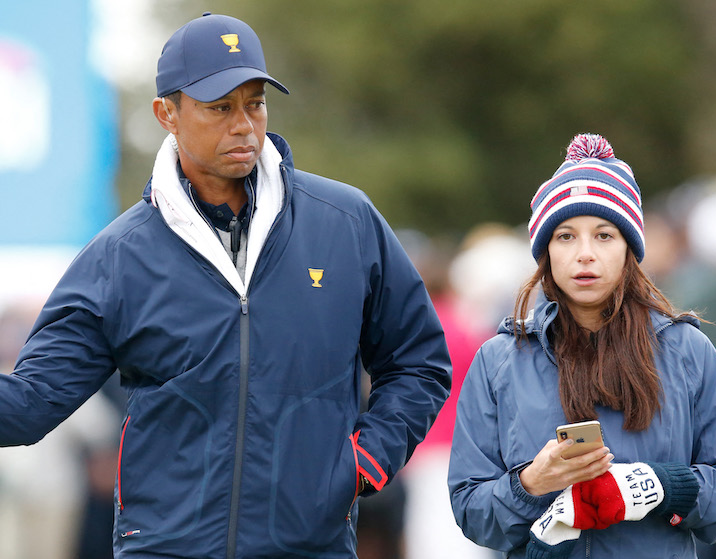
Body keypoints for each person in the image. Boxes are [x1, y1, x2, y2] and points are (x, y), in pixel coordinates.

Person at [0, 12, 451, 559]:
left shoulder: (346, 222)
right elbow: (27, 404)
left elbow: (419, 361)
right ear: (166, 113)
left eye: (254, 103)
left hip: (311, 546)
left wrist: (364, 464)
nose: (244, 125)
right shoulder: (118, 258)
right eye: (219, 108)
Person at [447, 133, 716, 558]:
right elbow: (471, 510)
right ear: (545, 251)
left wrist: (662, 487)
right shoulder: (500, 359)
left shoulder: (687, 350)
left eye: (604, 235)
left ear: (629, 248)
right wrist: (530, 485)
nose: (584, 254)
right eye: (565, 236)